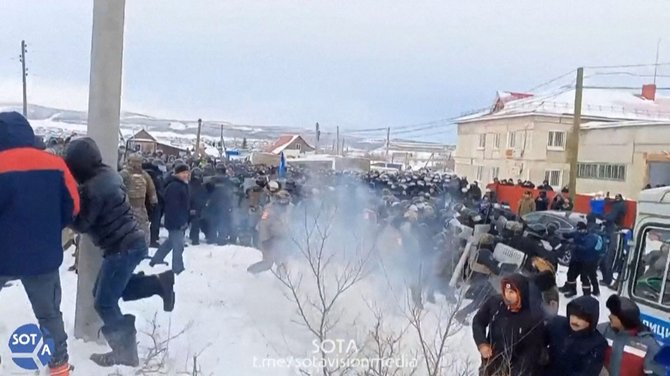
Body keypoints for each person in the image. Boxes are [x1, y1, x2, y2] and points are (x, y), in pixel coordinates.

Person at [64, 137, 175, 367]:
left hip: (121, 248)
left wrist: (66, 210)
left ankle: (125, 352)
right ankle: (159, 283)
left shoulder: (94, 187)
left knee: (104, 302)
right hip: (130, 244)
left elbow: (83, 224)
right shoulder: (107, 174)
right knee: (109, 290)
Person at [0, 112, 79, 376]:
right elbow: (73, 206)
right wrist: (47, 229)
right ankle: (59, 366)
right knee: (49, 315)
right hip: (42, 256)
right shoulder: (55, 164)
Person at [472, 273, 545, 376]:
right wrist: (482, 344)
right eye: (505, 291)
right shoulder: (496, 303)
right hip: (491, 363)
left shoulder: (532, 316)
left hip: (514, 369)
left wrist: (515, 372)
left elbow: (532, 350)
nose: (507, 295)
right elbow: (478, 321)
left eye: (512, 292)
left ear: (521, 293)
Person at [598, 295, 665, 376]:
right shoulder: (603, 330)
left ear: (625, 320)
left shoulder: (649, 345)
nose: (610, 316)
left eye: (614, 315)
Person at [544, 295, 607, 376]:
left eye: (582, 318)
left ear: (592, 321)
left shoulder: (597, 344)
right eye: (573, 315)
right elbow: (538, 342)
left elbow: (588, 372)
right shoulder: (557, 324)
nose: (575, 321)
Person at [151, 164, 191, 274]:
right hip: (175, 220)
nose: (186, 175)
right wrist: (180, 221)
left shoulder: (181, 185)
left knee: (170, 242)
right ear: (177, 174)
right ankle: (178, 268)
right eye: (183, 173)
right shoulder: (174, 186)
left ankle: (157, 259)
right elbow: (173, 207)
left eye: (187, 173)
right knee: (179, 245)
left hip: (179, 219)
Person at [247, 190, 293, 274]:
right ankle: (251, 271)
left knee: (282, 262)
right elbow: (263, 226)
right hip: (269, 239)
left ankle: (282, 281)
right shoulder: (268, 211)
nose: (283, 203)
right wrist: (265, 241)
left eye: (285, 201)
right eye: (281, 200)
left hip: (282, 239)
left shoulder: (290, 208)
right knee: (268, 263)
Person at [120, 154, 158, 246]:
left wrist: (153, 199)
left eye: (138, 162)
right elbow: (118, 186)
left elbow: (151, 188)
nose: (137, 165)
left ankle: (142, 246)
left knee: (143, 227)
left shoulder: (144, 174)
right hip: (127, 206)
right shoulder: (124, 174)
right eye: (135, 162)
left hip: (140, 206)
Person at [560, 222, 601, 298]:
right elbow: (569, 235)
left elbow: (586, 248)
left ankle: (587, 295)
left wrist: (574, 246)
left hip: (587, 261)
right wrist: (562, 235)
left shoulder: (591, 237)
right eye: (578, 230)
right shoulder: (577, 233)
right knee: (571, 275)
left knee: (584, 277)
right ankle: (572, 290)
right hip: (576, 259)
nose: (578, 231)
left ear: (584, 229)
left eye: (580, 230)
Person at [188, 167, 207, 245]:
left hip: (188, 206)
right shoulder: (202, 186)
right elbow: (203, 198)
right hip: (196, 207)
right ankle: (195, 239)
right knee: (195, 223)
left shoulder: (187, 184)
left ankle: (182, 239)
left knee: (184, 224)